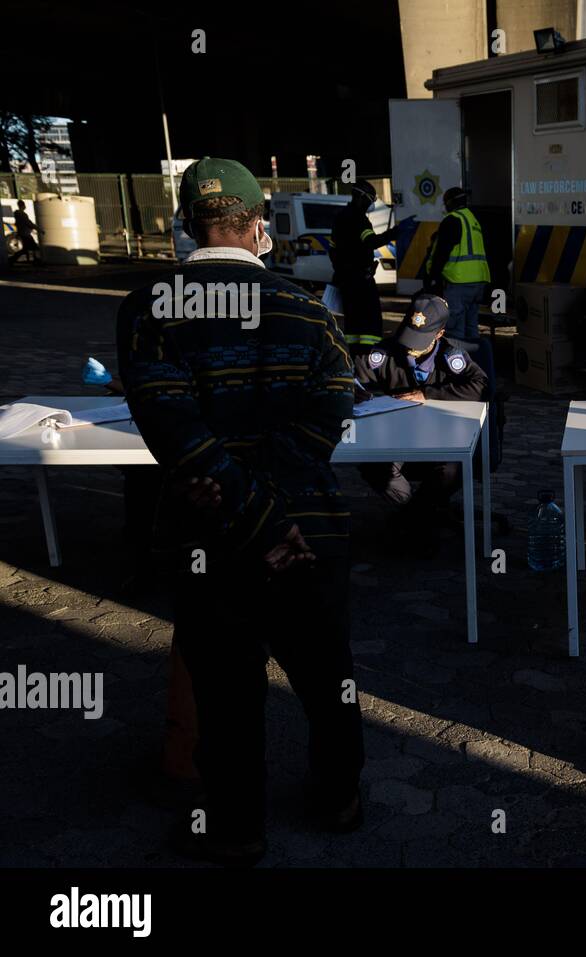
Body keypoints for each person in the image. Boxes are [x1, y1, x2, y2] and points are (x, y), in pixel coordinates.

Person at [116, 157, 362, 866]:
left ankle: (236, 829)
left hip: (211, 537)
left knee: (224, 693)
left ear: (189, 227)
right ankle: (340, 800)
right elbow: (330, 411)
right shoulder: (311, 311)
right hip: (308, 533)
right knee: (328, 677)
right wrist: (279, 511)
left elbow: (177, 433)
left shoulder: (149, 310)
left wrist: (249, 508)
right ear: (259, 227)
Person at [354, 293, 488, 551]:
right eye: (409, 336)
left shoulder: (451, 356)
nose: (411, 347)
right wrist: (352, 387)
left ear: (439, 334)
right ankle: (417, 511)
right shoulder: (387, 352)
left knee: (451, 469)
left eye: (421, 340)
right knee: (373, 466)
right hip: (396, 441)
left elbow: (481, 385)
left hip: (441, 442)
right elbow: (348, 372)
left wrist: (428, 395)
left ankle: (414, 519)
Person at [330, 179, 401, 351]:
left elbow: (333, 250)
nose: (370, 204)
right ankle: (371, 357)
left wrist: (343, 270)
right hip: (361, 281)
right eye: (370, 200)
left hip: (346, 280)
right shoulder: (358, 219)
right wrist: (395, 232)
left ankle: (353, 354)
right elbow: (371, 242)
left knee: (353, 322)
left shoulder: (340, 217)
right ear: (361, 198)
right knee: (370, 320)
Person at [421, 186, 490, 340]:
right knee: (471, 327)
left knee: (454, 330)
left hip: (459, 283)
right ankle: (473, 360)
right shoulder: (473, 220)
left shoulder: (452, 220)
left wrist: (432, 277)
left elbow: (442, 252)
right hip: (478, 282)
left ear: (450, 203)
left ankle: (456, 361)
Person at [7, 199, 40, 265]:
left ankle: (31, 259)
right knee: (33, 247)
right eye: (24, 205)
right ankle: (12, 259)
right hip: (26, 233)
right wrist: (38, 229)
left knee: (27, 248)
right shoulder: (22, 214)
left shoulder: (17, 214)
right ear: (22, 206)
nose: (25, 206)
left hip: (23, 233)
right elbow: (28, 223)